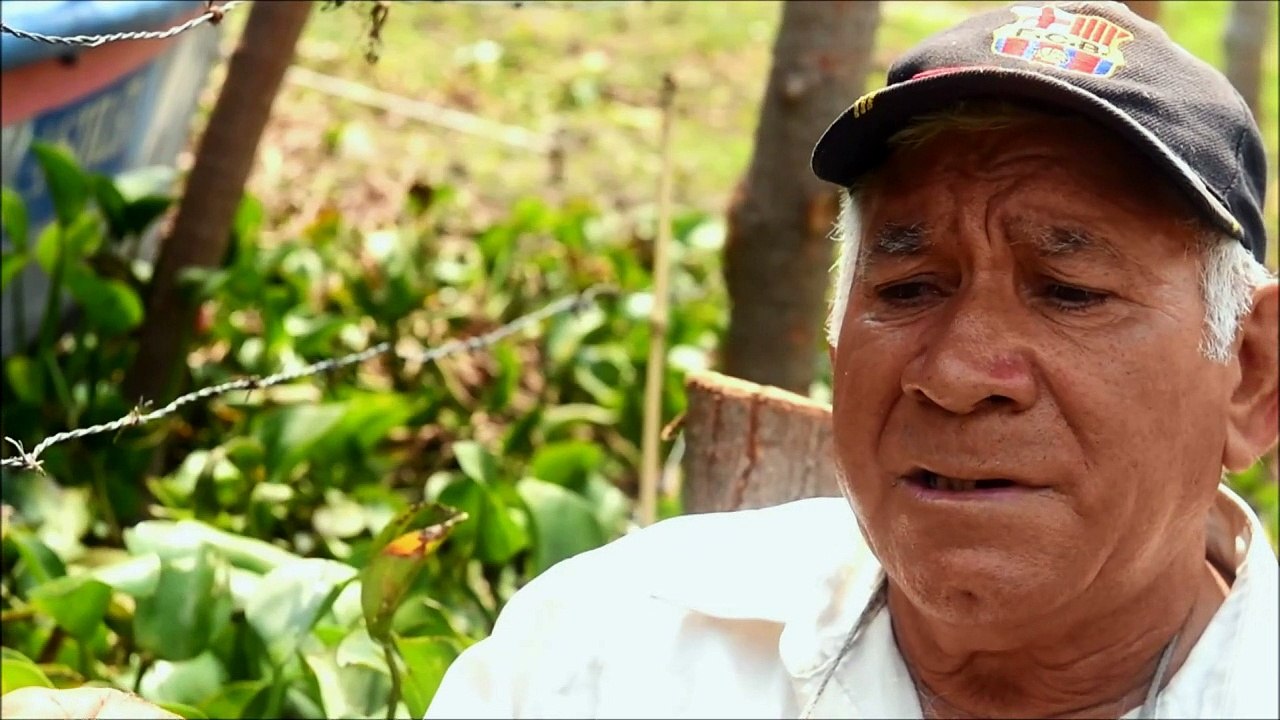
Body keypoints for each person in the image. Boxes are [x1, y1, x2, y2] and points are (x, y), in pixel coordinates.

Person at [426, 2, 1278, 718]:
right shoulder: (611, 656)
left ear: (1251, 375)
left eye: (1068, 290)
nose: (955, 374)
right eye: (909, 288)